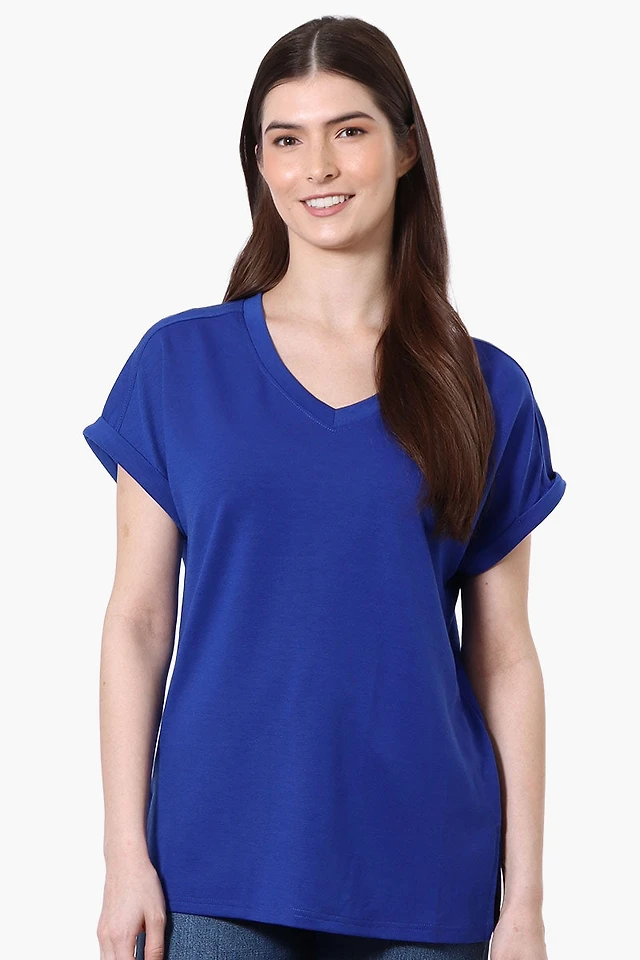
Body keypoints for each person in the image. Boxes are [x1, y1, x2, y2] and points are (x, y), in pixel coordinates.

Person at [83, 15, 567, 960]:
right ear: (260, 166)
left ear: (406, 148)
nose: (318, 167)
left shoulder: (487, 389)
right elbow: (136, 623)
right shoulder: (178, 366)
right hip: (213, 868)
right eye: (286, 139)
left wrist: (527, 905)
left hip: (427, 872)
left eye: (349, 130)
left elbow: (505, 655)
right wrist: (122, 858)